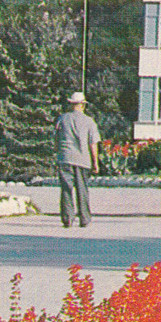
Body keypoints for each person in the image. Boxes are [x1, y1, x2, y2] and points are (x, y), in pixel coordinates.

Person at [54, 91, 100, 228]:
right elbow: (93, 143)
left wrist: (58, 153)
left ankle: (67, 218)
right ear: (83, 105)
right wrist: (95, 162)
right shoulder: (89, 121)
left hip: (65, 157)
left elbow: (56, 140)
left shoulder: (62, 119)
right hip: (83, 159)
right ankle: (84, 218)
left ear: (71, 104)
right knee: (82, 189)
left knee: (66, 189)